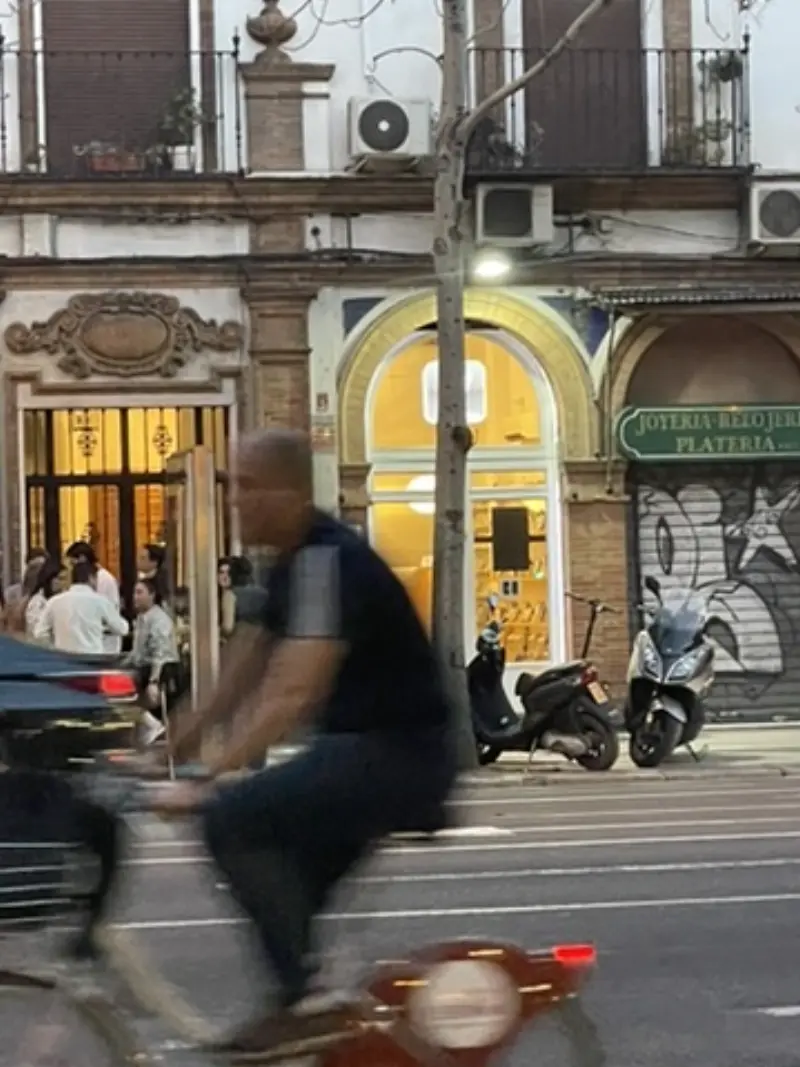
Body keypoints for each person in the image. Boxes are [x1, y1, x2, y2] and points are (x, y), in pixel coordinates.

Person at [153, 429, 456, 1059]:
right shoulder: (289, 566)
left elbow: (292, 691)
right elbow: (232, 679)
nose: (235, 500)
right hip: (364, 754)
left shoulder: (326, 560)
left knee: (231, 823)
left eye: (247, 485)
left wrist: (206, 776)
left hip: (396, 755)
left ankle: (305, 1006)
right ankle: (312, 1013)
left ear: (289, 493)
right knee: (288, 906)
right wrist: (156, 750)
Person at [125, 577, 179, 745]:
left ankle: (154, 725)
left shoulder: (159, 620)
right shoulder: (142, 619)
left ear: (152, 595)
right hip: (142, 666)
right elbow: (137, 652)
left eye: (140, 592)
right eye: (134, 592)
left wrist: (153, 681)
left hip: (160, 669)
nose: (135, 597)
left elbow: (160, 653)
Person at [34, 559, 129, 655]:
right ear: (91, 578)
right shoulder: (100, 601)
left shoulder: (54, 601)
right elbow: (122, 629)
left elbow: (39, 633)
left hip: (63, 659)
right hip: (92, 660)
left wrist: (54, 647)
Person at [65, 542, 122, 653]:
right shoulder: (90, 578)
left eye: (73, 563)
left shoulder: (103, 579)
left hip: (104, 640)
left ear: (82, 558)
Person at [25, 556, 68, 640]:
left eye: (65, 579)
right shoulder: (37, 603)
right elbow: (35, 631)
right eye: (60, 579)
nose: (64, 583)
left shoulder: (63, 598)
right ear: (49, 579)